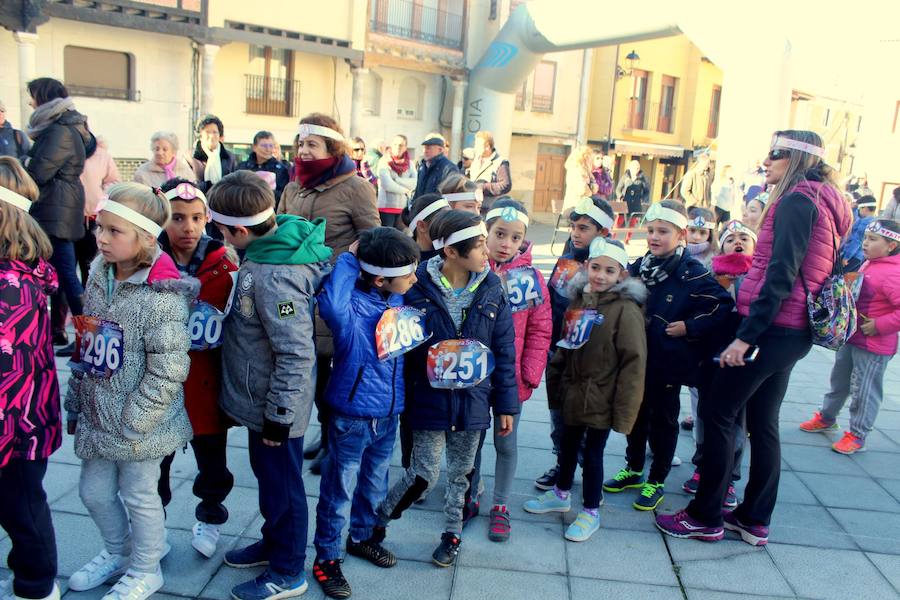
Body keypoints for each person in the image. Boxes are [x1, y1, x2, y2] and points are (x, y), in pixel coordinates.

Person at [656, 130, 852, 546]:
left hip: (772, 329)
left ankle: (705, 516)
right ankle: (753, 518)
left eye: (776, 153)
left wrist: (746, 337)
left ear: (798, 158)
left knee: (718, 413)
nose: (766, 160)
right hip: (791, 331)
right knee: (763, 423)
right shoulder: (825, 199)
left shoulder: (797, 201)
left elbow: (780, 274)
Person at [64, 182, 194, 600]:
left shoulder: (162, 297)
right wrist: (76, 400)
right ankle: (119, 553)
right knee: (93, 492)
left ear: (145, 238)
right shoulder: (97, 276)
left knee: (140, 495)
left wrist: (137, 418)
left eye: (113, 231)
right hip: (98, 413)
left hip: (140, 424)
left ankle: (146, 567)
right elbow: (88, 344)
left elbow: (169, 368)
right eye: (99, 227)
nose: (100, 238)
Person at [210, 171, 332, 600]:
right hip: (262, 399)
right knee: (270, 481)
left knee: (283, 488)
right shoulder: (269, 247)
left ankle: (287, 570)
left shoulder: (275, 275)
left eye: (221, 230)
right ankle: (273, 542)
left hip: (276, 408)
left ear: (240, 231)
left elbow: (295, 352)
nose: (218, 236)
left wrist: (279, 417)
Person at [376, 210, 518, 568]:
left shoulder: (492, 288)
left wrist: (506, 406)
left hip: (473, 402)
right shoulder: (416, 287)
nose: (488, 251)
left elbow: (504, 351)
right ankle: (377, 523)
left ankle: (452, 535)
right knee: (422, 475)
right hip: (429, 400)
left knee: (462, 475)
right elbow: (398, 345)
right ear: (451, 252)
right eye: (480, 245)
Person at [603, 200, 733, 512]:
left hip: (668, 362)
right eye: (651, 230)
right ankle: (634, 468)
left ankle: (657, 479)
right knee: (634, 415)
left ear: (681, 235)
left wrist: (689, 326)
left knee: (663, 420)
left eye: (663, 231)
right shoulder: (640, 266)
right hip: (637, 359)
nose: (654, 237)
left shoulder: (691, 272)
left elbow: (722, 306)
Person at [311, 228, 420, 599]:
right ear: (378, 279)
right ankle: (327, 557)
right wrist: (348, 257)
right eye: (408, 274)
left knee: (374, 482)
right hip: (352, 416)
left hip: (388, 414)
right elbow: (331, 304)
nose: (415, 279)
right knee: (339, 490)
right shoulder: (351, 310)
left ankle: (361, 537)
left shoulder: (395, 298)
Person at [524, 238, 647, 542]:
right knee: (567, 445)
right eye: (596, 268)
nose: (601, 275)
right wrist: (556, 383)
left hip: (602, 396)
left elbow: (633, 364)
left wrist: (625, 413)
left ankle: (591, 510)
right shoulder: (580, 300)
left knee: (592, 454)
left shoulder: (626, 310)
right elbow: (566, 345)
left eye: (609, 270)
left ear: (621, 274)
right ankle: (561, 493)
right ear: (587, 266)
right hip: (573, 392)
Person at [278, 113, 380, 474]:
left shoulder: (356, 187)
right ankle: (324, 434)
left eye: (312, 144)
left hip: (335, 295)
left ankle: (336, 442)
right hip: (295, 291)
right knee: (312, 371)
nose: (304, 151)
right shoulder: (293, 186)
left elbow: (371, 236)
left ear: (332, 148)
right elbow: (279, 228)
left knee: (334, 374)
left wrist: (342, 266)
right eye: (301, 144)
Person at [155, 178, 238, 559]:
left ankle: (210, 515)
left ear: (207, 218)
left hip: (206, 384)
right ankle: (152, 523)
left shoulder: (225, 266)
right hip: (159, 386)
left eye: (195, 218)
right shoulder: (147, 263)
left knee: (213, 462)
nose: (187, 227)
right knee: (155, 463)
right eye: (177, 218)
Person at [469, 199, 551, 542]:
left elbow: (541, 330)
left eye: (515, 237)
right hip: (473, 377)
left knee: (506, 443)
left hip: (511, 380)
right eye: (500, 234)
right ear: (485, 233)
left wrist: (529, 373)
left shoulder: (532, 279)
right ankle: (468, 493)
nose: (506, 243)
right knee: (470, 443)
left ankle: (500, 505)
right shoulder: (471, 269)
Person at [0, 157, 62, 600]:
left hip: (15, 422)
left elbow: (8, 365)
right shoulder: (21, 271)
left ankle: (37, 585)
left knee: (23, 507)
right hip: (23, 414)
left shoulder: (11, 283)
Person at [799, 219, 900, 454]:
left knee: (864, 390)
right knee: (839, 381)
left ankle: (857, 434)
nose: (865, 243)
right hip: (852, 337)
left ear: (891, 246)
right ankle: (827, 417)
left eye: (872, 239)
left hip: (874, 345)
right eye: (865, 238)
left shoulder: (894, 273)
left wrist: (880, 325)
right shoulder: (870, 263)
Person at [535, 196, 614, 490]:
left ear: (603, 232)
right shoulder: (567, 258)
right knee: (559, 416)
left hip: (591, 360)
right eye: (573, 227)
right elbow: (552, 302)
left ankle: (589, 475)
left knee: (587, 423)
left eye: (583, 228)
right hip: (559, 351)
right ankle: (562, 464)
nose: (575, 233)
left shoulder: (611, 267)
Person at [682, 220, 758, 504]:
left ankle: (729, 477)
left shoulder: (759, 277)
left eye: (744, 238)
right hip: (710, 357)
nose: (737, 242)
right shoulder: (710, 274)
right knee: (704, 414)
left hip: (742, 361)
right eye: (730, 238)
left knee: (736, 421)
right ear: (720, 245)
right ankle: (703, 465)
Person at [24, 78, 96, 359]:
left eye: (33, 96)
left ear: (43, 97)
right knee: (61, 274)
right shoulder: (64, 126)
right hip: (59, 207)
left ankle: (88, 339)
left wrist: (23, 164)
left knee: (66, 275)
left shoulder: (59, 131)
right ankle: (77, 336)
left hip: (56, 209)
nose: (30, 102)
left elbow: (38, 172)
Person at [77, 135, 119, 283]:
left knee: (89, 266)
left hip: (93, 218)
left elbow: (114, 181)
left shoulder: (102, 156)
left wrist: (100, 194)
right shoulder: (66, 152)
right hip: (68, 218)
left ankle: (89, 294)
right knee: (66, 269)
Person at [237, 131, 290, 208]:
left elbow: (283, 195)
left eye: (271, 145)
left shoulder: (281, 169)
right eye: (264, 145)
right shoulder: (242, 167)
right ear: (254, 147)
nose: (268, 149)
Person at [376, 134, 416, 228]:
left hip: (402, 208)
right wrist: (406, 190)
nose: (398, 147)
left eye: (401, 145)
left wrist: (397, 180)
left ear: (405, 147)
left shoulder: (410, 164)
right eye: (395, 144)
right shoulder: (384, 161)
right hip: (386, 208)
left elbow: (414, 183)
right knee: (386, 236)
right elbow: (387, 185)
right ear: (391, 145)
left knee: (400, 236)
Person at [468, 131, 511, 214]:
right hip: (474, 207)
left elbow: (505, 185)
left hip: (488, 209)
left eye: (478, 145)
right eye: (475, 145)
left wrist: (483, 187)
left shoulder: (500, 162)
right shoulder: (475, 160)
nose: (475, 148)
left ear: (487, 147)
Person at [191, 115, 237, 192]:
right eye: (207, 132)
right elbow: (188, 184)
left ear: (219, 135)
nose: (212, 136)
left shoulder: (229, 157)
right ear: (200, 135)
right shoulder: (190, 157)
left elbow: (234, 182)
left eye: (215, 132)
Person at [402, 193, 450, 266]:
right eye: (445, 221)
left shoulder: (451, 253)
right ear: (422, 226)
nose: (451, 226)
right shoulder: (404, 259)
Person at [413, 132, 458, 198]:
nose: (425, 151)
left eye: (428, 148)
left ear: (440, 150)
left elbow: (451, 196)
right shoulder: (422, 167)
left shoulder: (449, 169)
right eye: (424, 148)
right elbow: (417, 193)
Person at [840, 196, 877, 272]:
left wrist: (846, 257)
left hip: (852, 255)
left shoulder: (865, 222)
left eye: (859, 209)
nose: (858, 211)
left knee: (839, 275)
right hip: (859, 256)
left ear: (865, 208)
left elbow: (857, 241)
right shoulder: (873, 221)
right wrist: (853, 208)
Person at [562, 146, 595, 212]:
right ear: (583, 158)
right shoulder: (575, 170)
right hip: (574, 205)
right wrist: (590, 190)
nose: (590, 160)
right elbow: (581, 189)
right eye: (588, 157)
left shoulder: (586, 171)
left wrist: (591, 187)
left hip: (582, 206)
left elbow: (593, 187)